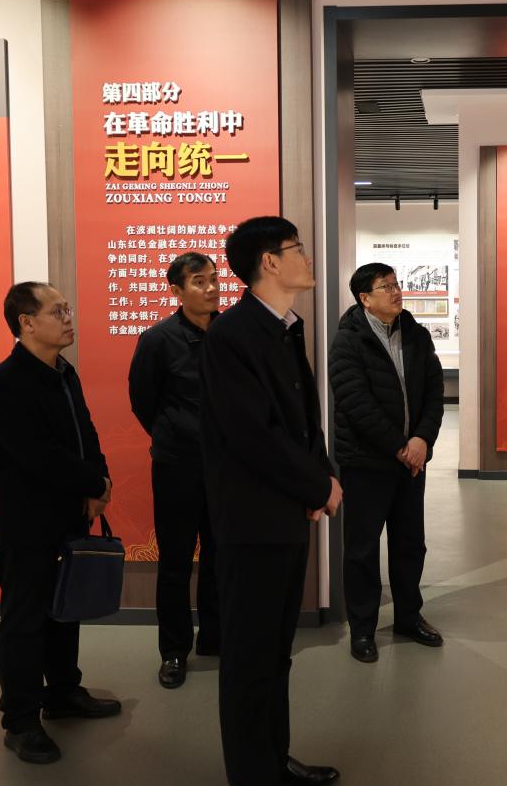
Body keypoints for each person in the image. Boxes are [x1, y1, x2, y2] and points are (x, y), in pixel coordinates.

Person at [200, 216, 342, 785]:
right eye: (297, 248)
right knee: (249, 658)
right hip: (252, 522)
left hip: (284, 514)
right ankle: (252, 773)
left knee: (275, 652)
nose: (307, 257)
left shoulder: (284, 326)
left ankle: (272, 760)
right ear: (270, 263)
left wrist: (320, 474)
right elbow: (252, 434)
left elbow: (304, 421)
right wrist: (318, 486)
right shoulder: (232, 335)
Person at [0, 282, 121, 765]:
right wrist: (93, 482)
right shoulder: (7, 383)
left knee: (64, 608)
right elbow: (38, 456)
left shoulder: (63, 371)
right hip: (26, 523)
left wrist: (99, 481)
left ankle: (62, 692)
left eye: (67, 308)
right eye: (57, 311)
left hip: (68, 513)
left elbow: (85, 431)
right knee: (25, 620)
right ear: (26, 322)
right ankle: (20, 720)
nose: (68, 317)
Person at [329, 262, 446, 663]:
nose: (397, 292)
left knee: (410, 544)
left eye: (397, 284)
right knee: (362, 549)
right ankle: (362, 628)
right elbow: (355, 403)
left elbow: (434, 391)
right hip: (367, 462)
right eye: (386, 286)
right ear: (365, 298)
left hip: (411, 462)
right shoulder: (348, 341)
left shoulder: (416, 333)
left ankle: (408, 617)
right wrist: (400, 446)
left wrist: (422, 440)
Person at [128, 251, 222, 689]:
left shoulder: (230, 334)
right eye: (199, 281)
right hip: (177, 467)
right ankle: (174, 651)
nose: (211, 288)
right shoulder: (157, 339)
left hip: (225, 468)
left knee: (221, 555)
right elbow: (142, 401)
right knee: (175, 562)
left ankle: (215, 636)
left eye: (214, 279)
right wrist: (173, 434)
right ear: (177, 291)